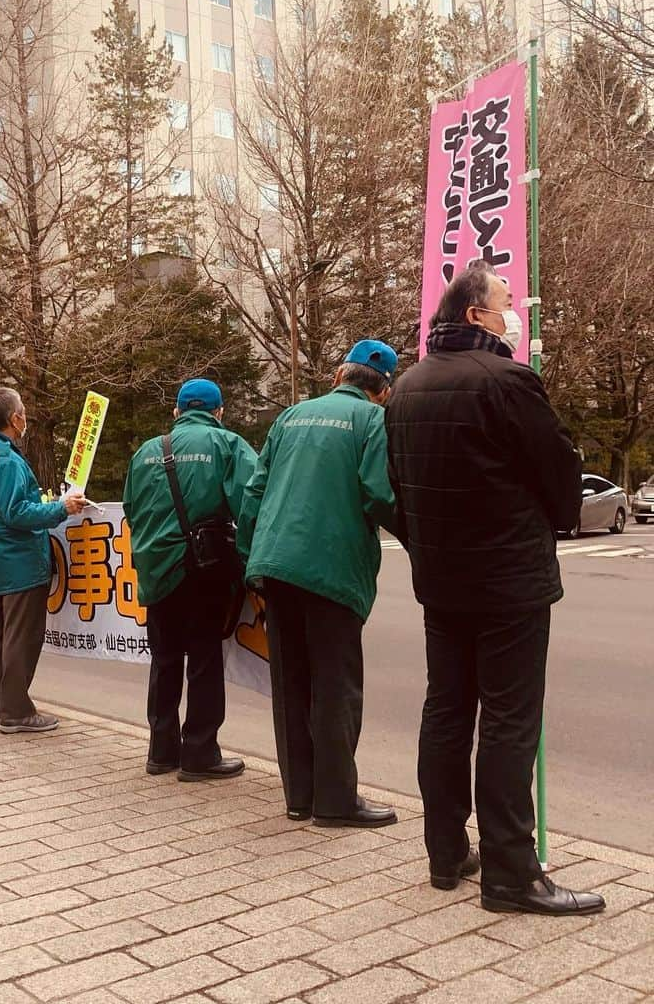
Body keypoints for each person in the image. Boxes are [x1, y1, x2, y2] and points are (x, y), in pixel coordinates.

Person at [386, 262, 605, 915]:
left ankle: (446, 851)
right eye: (508, 302)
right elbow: (561, 470)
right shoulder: (509, 381)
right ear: (478, 315)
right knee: (510, 720)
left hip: (442, 578)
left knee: (446, 710)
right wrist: (555, 515)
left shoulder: (409, 387)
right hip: (509, 579)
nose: (515, 311)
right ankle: (511, 872)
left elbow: (397, 486)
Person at [238, 341, 399, 828]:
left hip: (277, 567)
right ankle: (336, 802)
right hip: (331, 569)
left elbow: (255, 492)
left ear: (337, 375)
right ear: (384, 390)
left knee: (291, 683)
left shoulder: (290, 417)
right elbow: (380, 494)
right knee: (335, 686)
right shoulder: (373, 423)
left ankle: (299, 797)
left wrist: (253, 558)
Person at [123, 378, 257, 782]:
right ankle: (199, 752)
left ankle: (160, 751)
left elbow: (131, 506)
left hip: (155, 569)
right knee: (202, 658)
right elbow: (251, 502)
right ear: (218, 412)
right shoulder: (228, 445)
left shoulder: (147, 451)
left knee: (163, 659)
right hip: (203, 568)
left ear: (177, 412)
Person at [0, 387, 86, 733]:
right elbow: (16, 512)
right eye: (23, 411)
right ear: (15, 419)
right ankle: (16, 710)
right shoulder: (5, 460)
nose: (25, 417)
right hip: (19, 557)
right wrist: (62, 508)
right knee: (21, 635)